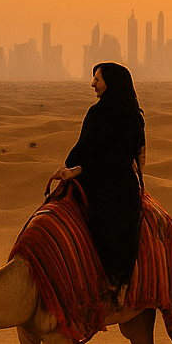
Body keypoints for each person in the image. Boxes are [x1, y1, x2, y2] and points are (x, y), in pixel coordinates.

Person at [51, 61, 147, 291]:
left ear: (111, 83)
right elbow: (86, 149)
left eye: (97, 79)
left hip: (115, 186)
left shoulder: (125, 115)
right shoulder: (106, 113)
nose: (92, 84)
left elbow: (118, 158)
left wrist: (78, 170)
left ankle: (117, 282)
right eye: (94, 78)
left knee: (107, 226)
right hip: (97, 177)